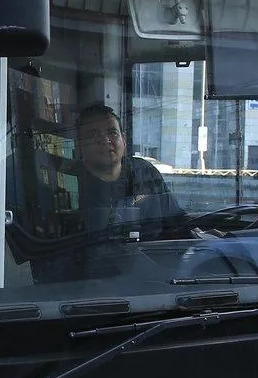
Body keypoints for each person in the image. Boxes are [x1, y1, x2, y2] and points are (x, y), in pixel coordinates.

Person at [31, 105, 185, 282]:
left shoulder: (144, 172)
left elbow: (177, 223)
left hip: (154, 281)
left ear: (124, 141)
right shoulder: (66, 184)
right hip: (88, 288)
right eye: (93, 134)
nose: (104, 140)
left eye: (112, 132)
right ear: (79, 146)